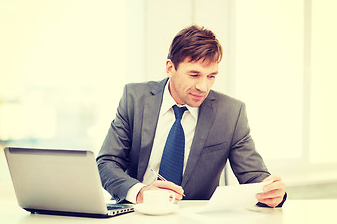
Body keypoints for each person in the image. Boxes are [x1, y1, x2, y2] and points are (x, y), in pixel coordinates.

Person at [96, 25, 286, 208]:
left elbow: (254, 177)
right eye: (194, 74)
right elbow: (106, 163)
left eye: (211, 76)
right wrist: (140, 193)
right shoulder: (135, 98)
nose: (203, 87)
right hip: (139, 213)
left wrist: (272, 192)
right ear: (170, 68)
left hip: (197, 222)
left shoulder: (231, 113)